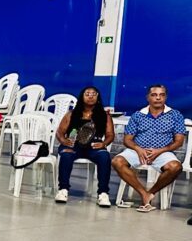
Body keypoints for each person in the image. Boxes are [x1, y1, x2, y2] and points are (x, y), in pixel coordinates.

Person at [111, 84, 186, 212]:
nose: (158, 98)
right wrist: (138, 149)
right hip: (138, 150)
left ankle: (151, 192)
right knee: (117, 161)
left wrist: (160, 151)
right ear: (148, 97)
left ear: (166, 97)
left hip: (163, 151)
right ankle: (143, 193)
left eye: (161, 95)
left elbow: (179, 141)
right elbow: (127, 140)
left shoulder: (175, 115)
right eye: (154, 95)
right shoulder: (138, 115)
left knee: (175, 167)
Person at [54, 86, 115, 207]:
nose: (91, 96)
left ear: (98, 97)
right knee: (66, 154)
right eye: (87, 94)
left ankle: (103, 193)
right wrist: (63, 140)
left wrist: (104, 144)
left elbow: (110, 134)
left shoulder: (105, 116)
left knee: (105, 157)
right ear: (82, 97)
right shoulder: (71, 114)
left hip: (94, 146)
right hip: (73, 145)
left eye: (94, 94)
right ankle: (63, 190)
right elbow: (59, 132)